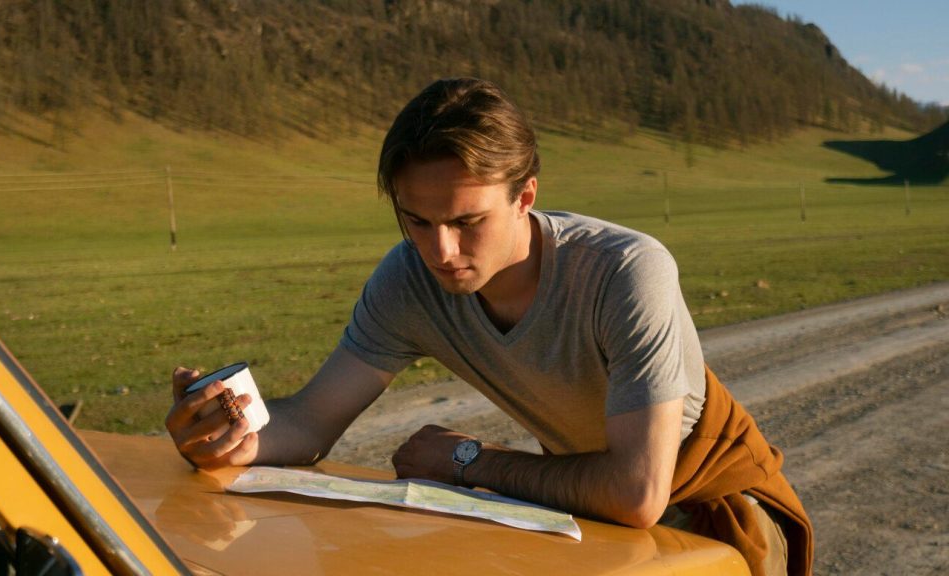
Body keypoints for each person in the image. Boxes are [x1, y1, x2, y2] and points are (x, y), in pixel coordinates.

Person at [165, 78, 813, 576]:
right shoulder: (407, 280)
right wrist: (227, 436)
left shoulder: (625, 273)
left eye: (467, 222)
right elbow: (308, 422)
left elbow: (637, 492)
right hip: (595, 514)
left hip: (718, 515)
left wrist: (466, 459)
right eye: (416, 221)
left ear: (525, 196)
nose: (439, 252)